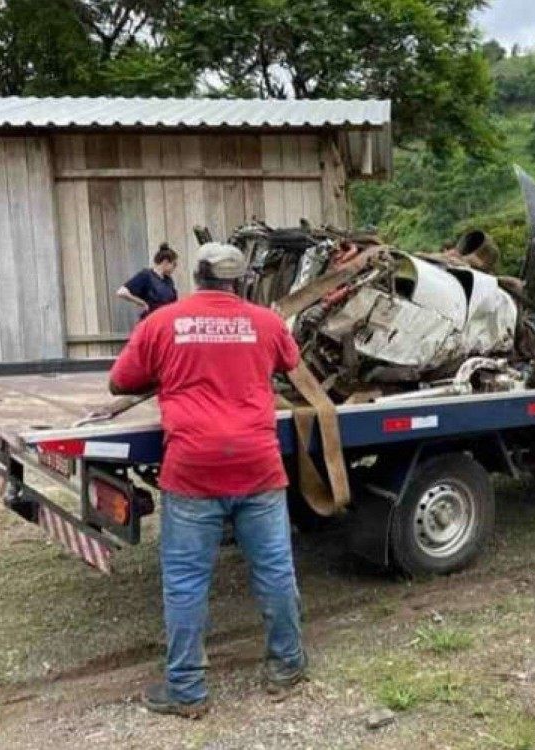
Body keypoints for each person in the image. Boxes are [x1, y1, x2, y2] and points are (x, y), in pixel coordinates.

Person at [109, 242, 308, 718]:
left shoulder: (162, 322)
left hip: (193, 471)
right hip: (258, 467)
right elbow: (290, 363)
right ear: (238, 281)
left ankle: (187, 689)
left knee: (185, 581)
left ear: (196, 277)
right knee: (275, 571)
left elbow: (119, 382)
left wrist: (170, 372)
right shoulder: (266, 322)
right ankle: (287, 665)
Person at [117, 243, 179, 320]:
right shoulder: (146, 275)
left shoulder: (168, 280)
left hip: (165, 321)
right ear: (165, 262)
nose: (175, 268)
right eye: (174, 264)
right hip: (151, 320)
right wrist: (141, 303)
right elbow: (121, 292)